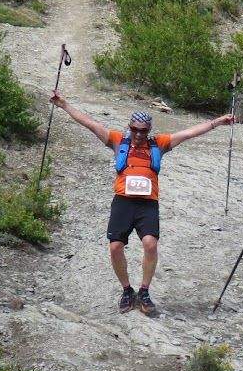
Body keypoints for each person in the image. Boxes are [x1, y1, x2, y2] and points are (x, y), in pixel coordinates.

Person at [50, 90, 233, 316]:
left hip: (147, 204)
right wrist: (64, 105)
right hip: (123, 202)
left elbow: (189, 133)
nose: (137, 134)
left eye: (142, 131)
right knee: (115, 247)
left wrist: (218, 122)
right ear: (129, 127)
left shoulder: (159, 144)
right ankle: (127, 291)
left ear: (149, 131)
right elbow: (90, 123)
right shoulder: (118, 141)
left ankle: (144, 292)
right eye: (134, 129)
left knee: (150, 245)